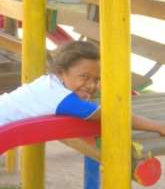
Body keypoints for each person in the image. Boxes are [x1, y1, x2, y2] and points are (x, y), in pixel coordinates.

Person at [0, 40, 165, 136]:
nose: (92, 85)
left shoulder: (49, 82)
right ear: (62, 71)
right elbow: (116, 117)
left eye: (97, 79)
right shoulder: (64, 100)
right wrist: (158, 126)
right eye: (84, 77)